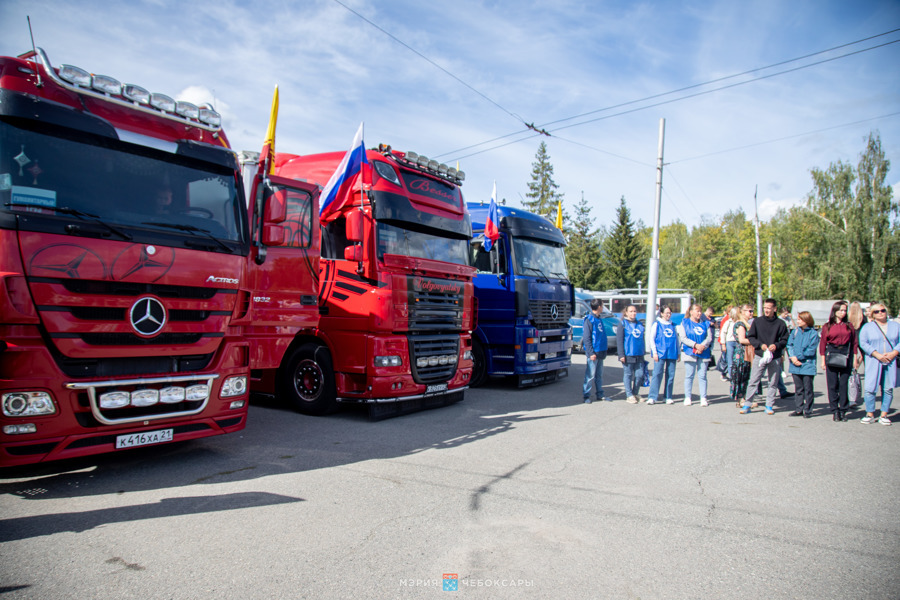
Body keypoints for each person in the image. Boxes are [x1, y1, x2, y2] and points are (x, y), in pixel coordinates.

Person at [741, 298, 789, 415]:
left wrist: (776, 345)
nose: (766, 310)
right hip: (759, 355)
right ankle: (748, 403)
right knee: (754, 379)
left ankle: (769, 405)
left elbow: (784, 340)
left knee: (773, 381)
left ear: (775, 309)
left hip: (775, 356)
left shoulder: (781, 324)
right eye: (765, 308)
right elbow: (751, 337)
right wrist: (760, 345)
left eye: (769, 308)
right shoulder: (757, 321)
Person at [858, 303, 899, 425]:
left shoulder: (896, 326)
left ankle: (884, 414)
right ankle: (870, 413)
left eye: (882, 310)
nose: (880, 313)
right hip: (874, 360)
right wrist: (876, 354)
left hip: (890, 360)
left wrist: (893, 353)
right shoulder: (867, 327)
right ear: (873, 315)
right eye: (877, 311)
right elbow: (863, 343)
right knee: (870, 387)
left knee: (888, 388)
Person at [818, 300, 858, 422]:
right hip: (832, 353)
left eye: (845, 310)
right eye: (841, 310)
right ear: (835, 311)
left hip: (846, 354)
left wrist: (855, 358)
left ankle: (843, 410)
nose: (843, 312)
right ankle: (835, 410)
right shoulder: (827, 326)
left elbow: (854, 343)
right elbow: (823, 344)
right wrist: (823, 360)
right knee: (832, 384)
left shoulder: (849, 326)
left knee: (844, 384)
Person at [677, 304, 713, 406]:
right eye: (697, 311)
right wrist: (695, 345)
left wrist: (702, 346)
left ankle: (703, 397)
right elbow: (683, 337)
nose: (699, 313)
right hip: (690, 352)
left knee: (702, 375)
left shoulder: (705, 323)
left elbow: (709, 338)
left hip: (703, 352)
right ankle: (688, 397)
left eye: (700, 311)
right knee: (689, 375)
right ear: (691, 312)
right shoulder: (685, 322)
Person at [786, 311, 819, 418]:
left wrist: (798, 357)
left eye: (800, 319)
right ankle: (799, 409)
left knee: (808, 389)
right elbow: (789, 345)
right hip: (795, 365)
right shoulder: (795, 332)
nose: (798, 321)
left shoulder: (813, 334)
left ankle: (808, 410)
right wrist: (792, 357)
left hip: (807, 364)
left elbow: (811, 350)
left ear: (806, 320)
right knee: (798, 389)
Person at [648, 304, 679, 405]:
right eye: (666, 313)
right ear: (661, 313)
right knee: (657, 374)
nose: (668, 315)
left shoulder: (673, 325)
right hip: (660, 353)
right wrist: (654, 352)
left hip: (672, 353)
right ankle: (652, 396)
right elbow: (651, 339)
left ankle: (668, 396)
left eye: (670, 313)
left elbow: (677, 340)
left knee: (670, 375)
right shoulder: (657, 324)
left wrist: (678, 352)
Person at [582, 299, 609, 404]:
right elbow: (587, 338)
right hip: (593, 352)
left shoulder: (599, 319)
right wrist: (590, 352)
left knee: (599, 375)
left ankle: (600, 394)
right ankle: (586, 395)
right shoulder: (589, 320)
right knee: (590, 376)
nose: (603, 307)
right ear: (598, 307)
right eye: (602, 305)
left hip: (600, 351)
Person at [617, 304, 645, 404]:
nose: (633, 313)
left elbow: (642, 339)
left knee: (639, 375)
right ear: (626, 312)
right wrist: (621, 355)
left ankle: (635, 393)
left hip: (639, 354)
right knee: (628, 374)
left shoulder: (639, 324)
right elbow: (619, 340)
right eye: (631, 311)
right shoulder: (623, 324)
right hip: (628, 353)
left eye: (635, 311)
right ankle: (629, 395)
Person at [731, 304, 754, 408]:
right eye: (749, 311)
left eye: (752, 311)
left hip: (747, 352)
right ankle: (741, 399)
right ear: (742, 312)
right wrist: (755, 341)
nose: (751, 313)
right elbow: (742, 339)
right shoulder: (741, 324)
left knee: (746, 375)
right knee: (742, 376)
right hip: (742, 353)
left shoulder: (747, 323)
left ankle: (744, 398)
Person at [847, 301, 867, 408]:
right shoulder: (862, 318)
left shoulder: (848, 318)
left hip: (851, 340)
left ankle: (850, 395)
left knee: (849, 367)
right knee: (865, 358)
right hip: (861, 339)